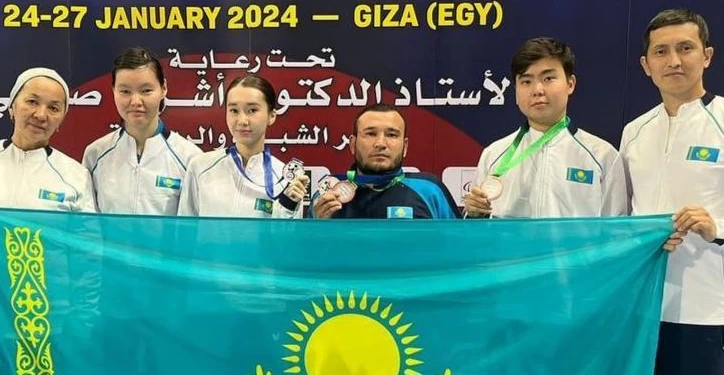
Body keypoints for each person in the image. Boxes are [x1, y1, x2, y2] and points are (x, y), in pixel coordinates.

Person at [619, 9, 723, 375]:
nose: (674, 61)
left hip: (708, 312)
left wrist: (715, 225)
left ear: (707, 55)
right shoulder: (634, 133)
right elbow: (621, 218)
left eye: (685, 48)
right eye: (661, 51)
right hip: (644, 312)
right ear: (646, 65)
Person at [464, 37, 627, 218]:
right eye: (526, 81)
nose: (538, 90)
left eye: (548, 78)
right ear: (516, 90)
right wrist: (474, 214)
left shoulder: (603, 156)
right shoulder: (493, 155)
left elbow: (616, 230)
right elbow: (477, 228)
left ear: (570, 84)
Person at [82, 47, 202, 215]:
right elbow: (88, 222)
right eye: (125, 91)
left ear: (163, 89)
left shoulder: (190, 159)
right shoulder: (95, 155)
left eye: (146, 91)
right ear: (113, 91)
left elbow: (193, 224)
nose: (135, 101)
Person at [178, 75, 308, 218]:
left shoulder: (285, 180)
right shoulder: (200, 167)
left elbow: (288, 233)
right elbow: (184, 227)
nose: (242, 121)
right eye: (234, 110)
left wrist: (288, 206)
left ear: (271, 116)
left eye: (252, 110)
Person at [311, 104, 459, 219]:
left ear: (405, 147)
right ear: (352, 144)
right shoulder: (327, 195)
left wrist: (472, 215)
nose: (380, 143)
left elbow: (460, 243)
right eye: (370, 133)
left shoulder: (430, 191)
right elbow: (308, 247)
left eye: (391, 135)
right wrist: (316, 228)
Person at [0, 67, 96, 212]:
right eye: (32, 102)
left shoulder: (76, 175)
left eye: (53, 108)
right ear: (12, 107)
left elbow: (87, 227)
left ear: (61, 121)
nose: (41, 115)